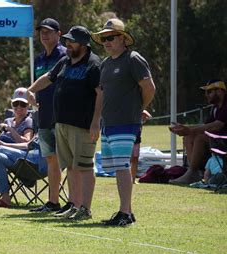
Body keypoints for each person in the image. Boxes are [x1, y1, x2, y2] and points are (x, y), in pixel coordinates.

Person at [27, 25, 102, 221]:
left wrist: (96, 122)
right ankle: (74, 205)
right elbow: (48, 77)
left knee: (84, 167)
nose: (67, 44)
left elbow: (101, 94)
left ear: (83, 44)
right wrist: (30, 90)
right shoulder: (65, 61)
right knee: (70, 167)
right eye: (67, 41)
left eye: (72, 41)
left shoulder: (93, 64)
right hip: (61, 123)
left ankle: (85, 208)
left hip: (83, 124)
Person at [91, 18, 156, 226]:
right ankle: (127, 211)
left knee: (122, 167)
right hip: (109, 123)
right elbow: (102, 94)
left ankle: (125, 214)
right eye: (103, 39)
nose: (106, 42)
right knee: (118, 167)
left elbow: (149, 88)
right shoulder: (106, 64)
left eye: (110, 38)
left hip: (126, 122)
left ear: (122, 38)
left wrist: (138, 109)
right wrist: (96, 120)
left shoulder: (133, 59)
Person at [27, 18, 67, 212]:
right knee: (51, 158)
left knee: (64, 159)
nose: (44, 34)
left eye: (49, 31)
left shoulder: (65, 55)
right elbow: (39, 84)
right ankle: (53, 202)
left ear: (59, 34)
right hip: (43, 114)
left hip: (62, 114)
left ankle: (75, 203)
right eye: (42, 31)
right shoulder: (39, 58)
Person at [169, 79, 227, 184]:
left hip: (226, 142)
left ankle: (192, 172)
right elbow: (206, 126)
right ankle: (193, 172)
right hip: (221, 141)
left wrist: (189, 129)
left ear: (220, 91)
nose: (206, 95)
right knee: (189, 136)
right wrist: (186, 129)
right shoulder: (216, 107)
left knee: (200, 138)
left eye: (209, 92)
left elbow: (217, 126)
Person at [0, 138, 43, 208]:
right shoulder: (40, 131)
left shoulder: (47, 129)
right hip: (27, 160)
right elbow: (27, 145)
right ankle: (5, 197)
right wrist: (5, 144)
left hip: (38, 163)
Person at [131, 110, 152, 183]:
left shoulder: (139, 109)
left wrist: (143, 115)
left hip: (137, 138)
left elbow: (149, 116)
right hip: (128, 137)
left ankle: (133, 180)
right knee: (128, 159)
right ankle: (126, 179)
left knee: (135, 158)